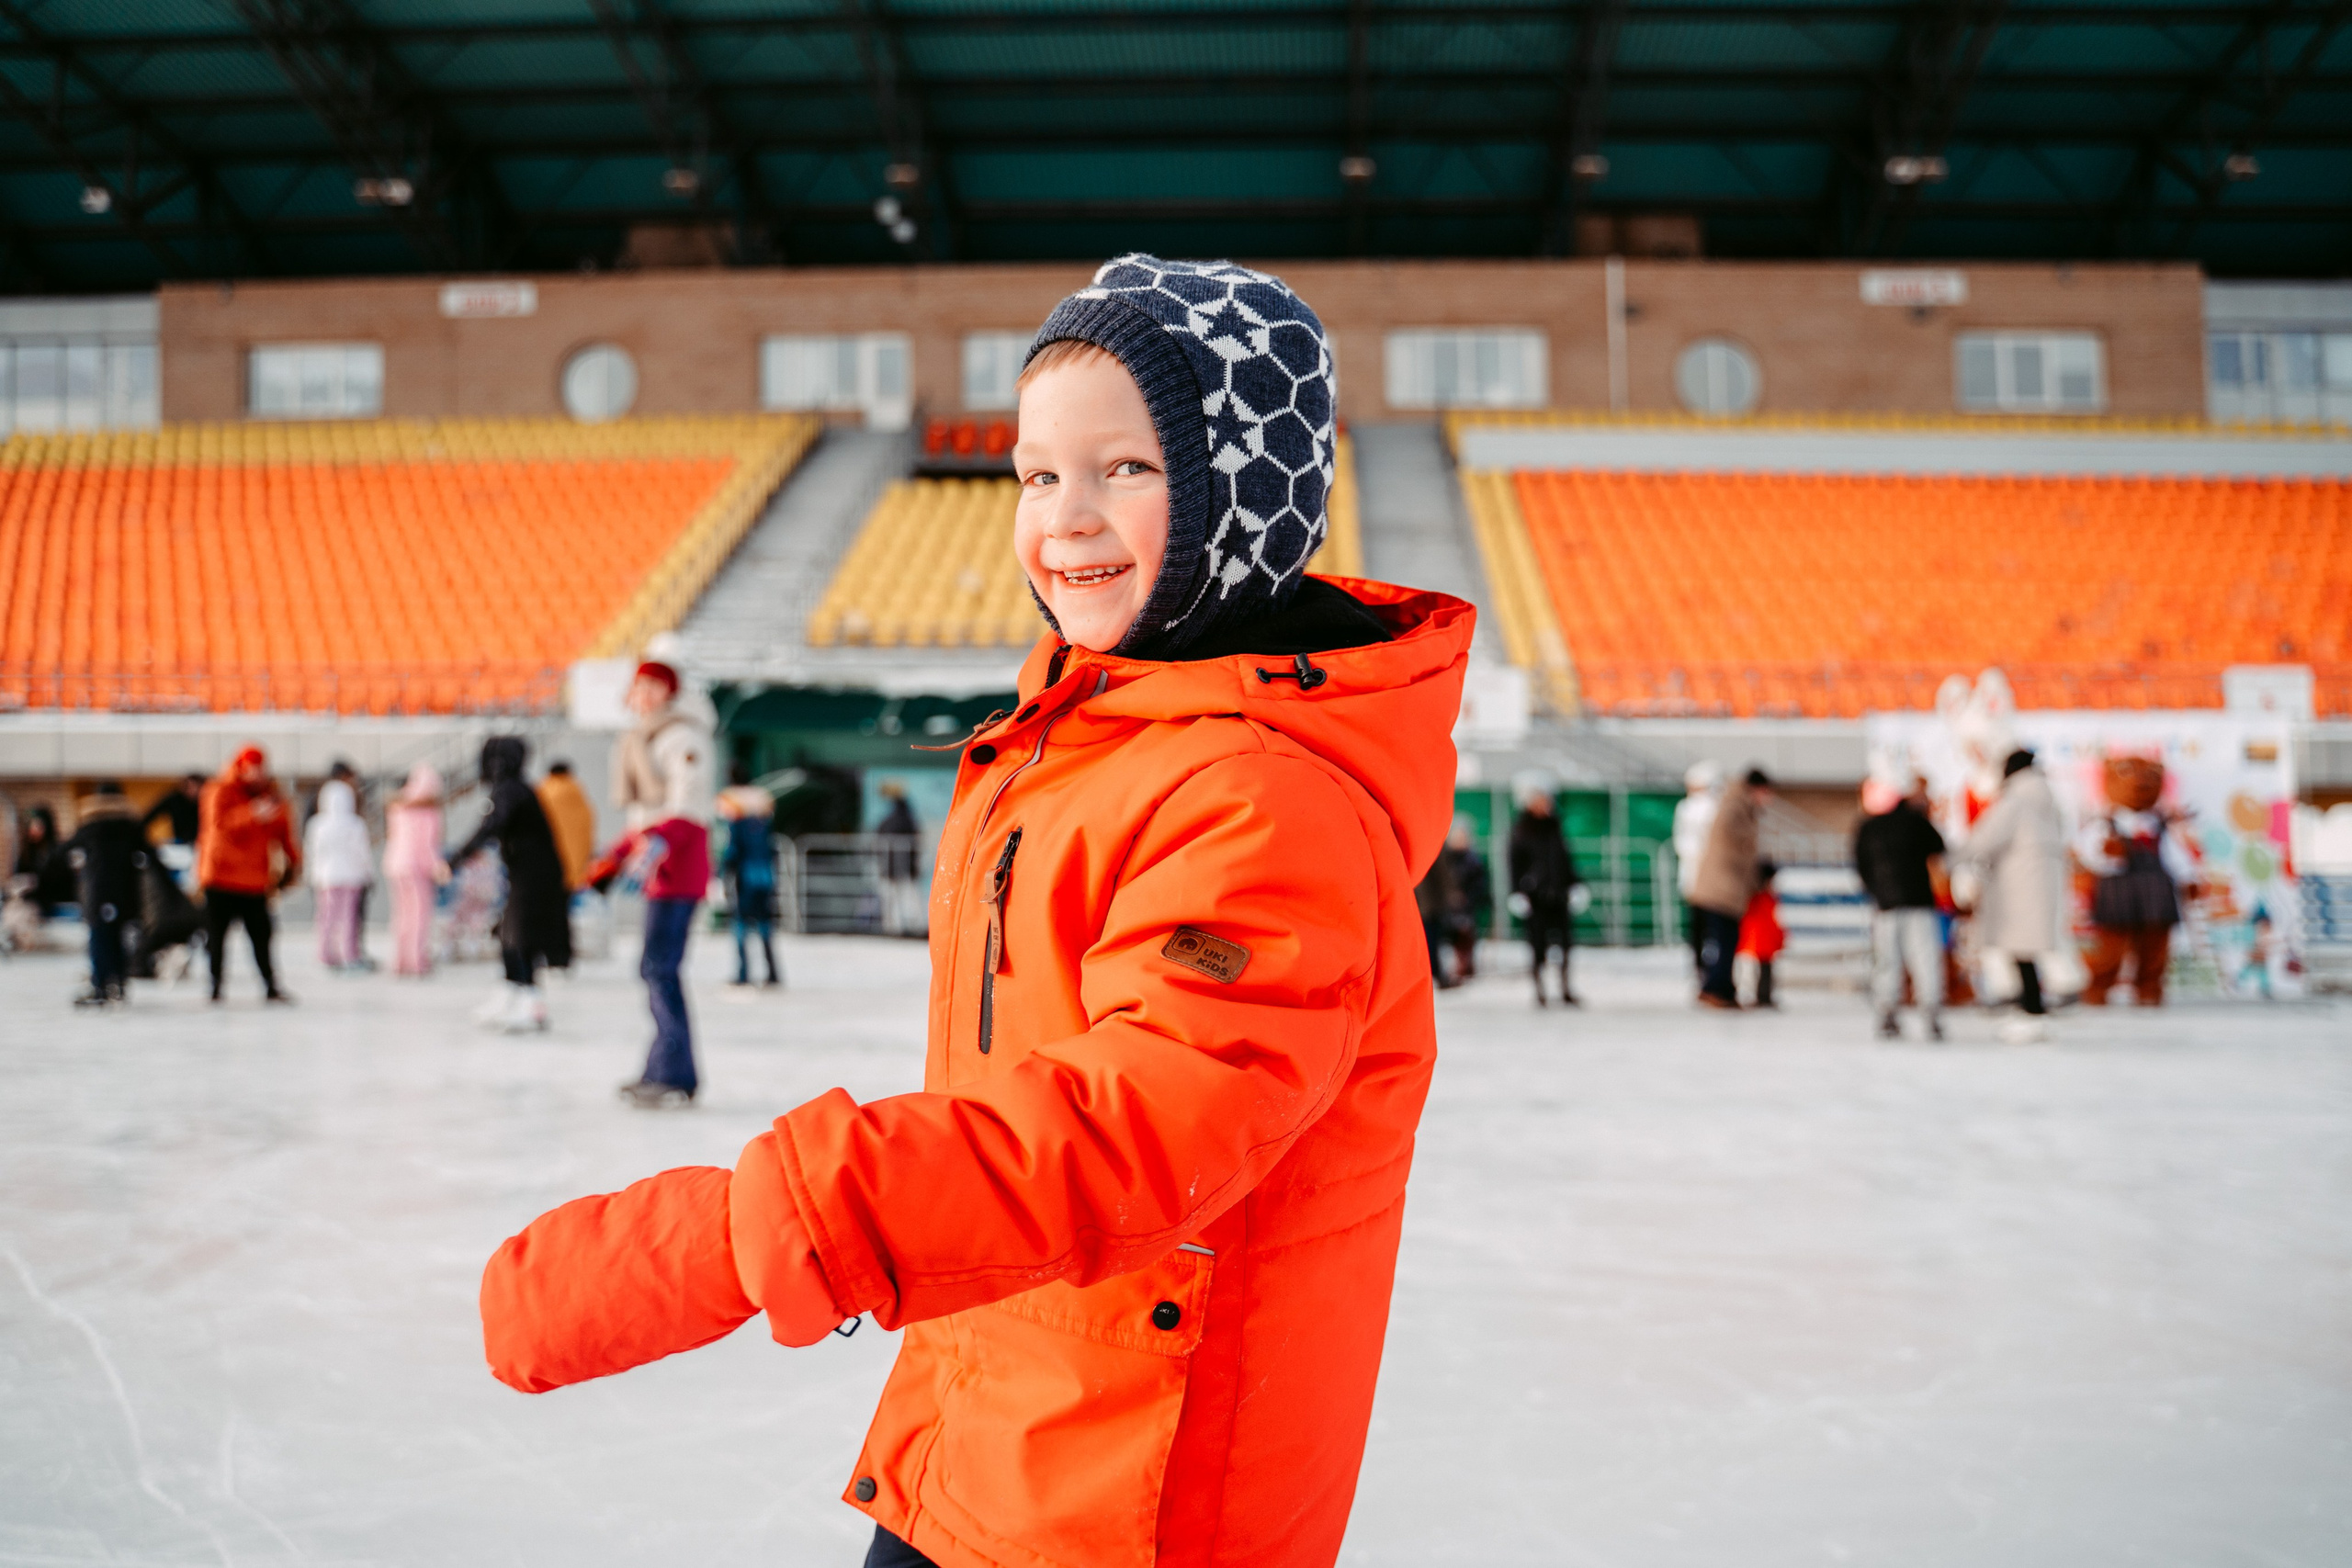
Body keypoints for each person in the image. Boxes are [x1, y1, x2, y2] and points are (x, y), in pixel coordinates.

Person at [479, 256, 1469, 1568]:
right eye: (1035, 474)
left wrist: (748, 1231)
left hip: (1130, 1484)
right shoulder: (1092, 735)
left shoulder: (1259, 798)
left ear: (1243, 494)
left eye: (1126, 467)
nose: (1066, 517)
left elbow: (1131, 1128)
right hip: (1005, 1395)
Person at [595, 660, 715, 1106]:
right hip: (660, 873)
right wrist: (613, 859)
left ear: (668, 690)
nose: (641, 695)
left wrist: (653, 843)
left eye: (651, 686)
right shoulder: (645, 737)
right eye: (637, 686)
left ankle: (674, 1073)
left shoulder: (682, 735)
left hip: (678, 872)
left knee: (660, 969)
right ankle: (661, 1067)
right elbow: (647, 818)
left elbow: (687, 810)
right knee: (655, 969)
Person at [448, 738, 572, 1032]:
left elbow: (491, 826)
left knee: (522, 936)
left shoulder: (512, 791)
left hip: (535, 876)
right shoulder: (512, 789)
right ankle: (511, 991)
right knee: (508, 934)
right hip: (524, 873)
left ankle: (531, 1002)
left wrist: (456, 859)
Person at [1958, 749, 2068, 1043]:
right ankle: (2032, 1008)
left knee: (2019, 948)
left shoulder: (2016, 799)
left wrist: (1950, 858)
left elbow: (1986, 836)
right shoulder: (2047, 798)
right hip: (2038, 884)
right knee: (2027, 949)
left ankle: (2030, 1011)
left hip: (2016, 886)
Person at [2075, 755, 2198, 1007]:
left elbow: (2175, 856)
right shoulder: (2105, 823)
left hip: (2156, 892)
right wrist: (2107, 856)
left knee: (2154, 945)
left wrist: (2188, 878)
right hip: (2117, 891)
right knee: (2111, 945)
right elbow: (2087, 854)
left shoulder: (2160, 825)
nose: (2140, 785)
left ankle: (2149, 987)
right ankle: (2099, 986)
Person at [198, 746, 300, 1004]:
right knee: (217, 937)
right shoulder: (219, 790)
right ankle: (215, 986)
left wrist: (294, 862)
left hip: (254, 880)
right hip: (221, 878)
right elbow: (218, 828)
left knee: (262, 935)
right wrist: (253, 814)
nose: (257, 775)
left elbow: (283, 832)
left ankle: (270, 985)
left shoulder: (270, 795)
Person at [1853, 772, 1947, 1040]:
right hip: (1919, 900)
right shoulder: (1916, 821)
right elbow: (1939, 847)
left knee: (1886, 960)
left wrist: (1876, 891)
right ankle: (1930, 1012)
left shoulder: (1868, 827)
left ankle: (1887, 1012)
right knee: (1924, 957)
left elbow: (1861, 866)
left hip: (1885, 904)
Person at [1690, 767, 1770, 1010]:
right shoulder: (1736, 807)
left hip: (1722, 886)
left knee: (1728, 939)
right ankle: (1716, 988)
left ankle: (1721, 988)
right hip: (1722, 888)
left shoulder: (1737, 805)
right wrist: (1757, 873)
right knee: (1726, 939)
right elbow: (1739, 845)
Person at [64, 783, 144, 1007]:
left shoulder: (91, 826)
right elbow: (150, 854)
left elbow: (62, 851)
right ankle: (118, 982)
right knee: (118, 937)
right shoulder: (130, 828)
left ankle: (100, 985)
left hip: (98, 893)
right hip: (124, 894)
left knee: (99, 937)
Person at [1510, 788, 1583, 1006]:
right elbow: (1514, 863)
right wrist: (1517, 891)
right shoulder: (1522, 830)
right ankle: (1540, 990)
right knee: (1537, 945)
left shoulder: (1555, 828)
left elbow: (1565, 859)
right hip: (1535, 898)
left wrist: (1575, 883)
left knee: (1565, 944)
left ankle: (1565, 987)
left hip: (1559, 896)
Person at [718, 763, 783, 989]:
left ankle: (743, 972)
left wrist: (724, 871)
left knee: (740, 923)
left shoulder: (732, 802)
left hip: (744, 874)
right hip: (765, 872)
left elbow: (732, 847)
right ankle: (773, 971)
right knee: (765, 922)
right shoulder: (762, 800)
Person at [383, 763, 449, 976]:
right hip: (418, 868)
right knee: (420, 915)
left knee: (401, 914)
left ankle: (400, 961)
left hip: (395, 864)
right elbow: (429, 845)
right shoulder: (429, 812)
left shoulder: (397, 806)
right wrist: (438, 867)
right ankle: (417, 961)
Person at [305, 779, 374, 972]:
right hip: (351, 877)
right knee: (349, 919)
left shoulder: (317, 825)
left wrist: (311, 875)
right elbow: (362, 853)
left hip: (326, 878)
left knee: (326, 918)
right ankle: (348, 955)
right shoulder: (355, 824)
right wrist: (368, 873)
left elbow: (312, 853)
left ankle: (325, 954)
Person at [1672, 760, 1722, 979]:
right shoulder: (1693, 808)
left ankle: (1702, 964)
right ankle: (1704, 963)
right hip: (1703, 877)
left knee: (1702, 924)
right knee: (1706, 924)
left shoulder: (1695, 808)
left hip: (1701, 877)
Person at [1438, 814, 1490, 980]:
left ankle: (1466, 964)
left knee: (1467, 935)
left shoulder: (1473, 860)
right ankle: (1458, 965)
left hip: (1468, 904)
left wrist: (1469, 898)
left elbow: (1480, 883)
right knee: (1453, 936)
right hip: (1449, 905)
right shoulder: (1445, 859)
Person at [537, 760, 597, 895]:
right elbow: (588, 823)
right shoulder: (577, 792)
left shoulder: (543, 792)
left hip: (549, 857)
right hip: (575, 859)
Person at [874, 781, 924, 938]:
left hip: (891, 866)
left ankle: (894, 927)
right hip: (905, 866)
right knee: (908, 899)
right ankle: (913, 927)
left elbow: (879, 837)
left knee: (893, 899)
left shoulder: (890, 821)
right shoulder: (907, 818)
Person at [1414, 840, 1462, 989]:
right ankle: (1434, 973)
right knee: (1432, 939)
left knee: (1429, 939)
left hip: (1423, 900)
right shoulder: (1432, 840)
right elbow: (1443, 871)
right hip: (1430, 902)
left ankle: (1433, 973)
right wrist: (1451, 893)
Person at [1737, 859, 1784, 1009]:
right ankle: (1761, 997)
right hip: (1760, 943)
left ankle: (1763, 997)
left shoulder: (1761, 898)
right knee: (1759, 972)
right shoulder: (1762, 899)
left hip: (1762, 943)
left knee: (1763, 972)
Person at [140, 773, 205, 846]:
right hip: (181, 844)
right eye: (189, 787)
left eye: (197, 788)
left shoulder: (207, 802)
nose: (193, 791)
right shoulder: (174, 800)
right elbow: (150, 816)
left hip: (203, 843)